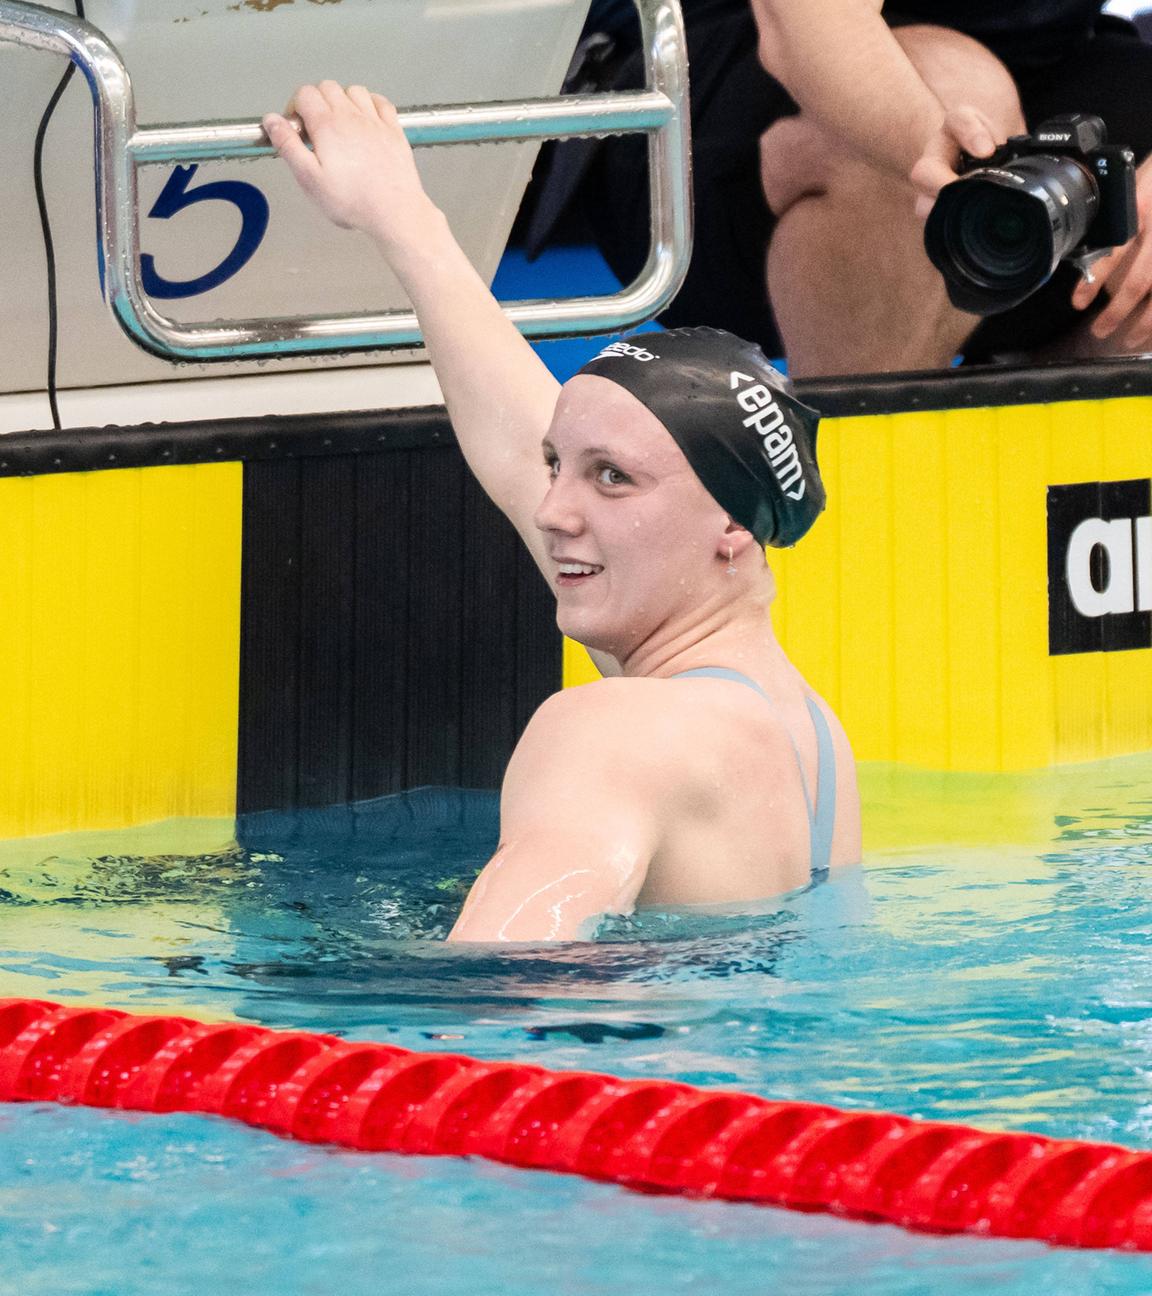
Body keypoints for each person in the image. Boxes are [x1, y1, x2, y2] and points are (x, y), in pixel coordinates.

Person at [262, 83, 860, 943]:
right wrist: (402, 217)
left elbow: (498, 984)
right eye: (558, 467)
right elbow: (519, 446)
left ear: (731, 524)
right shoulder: (808, 738)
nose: (551, 511)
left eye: (611, 477)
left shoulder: (609, 730)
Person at [558, 1, 1152, 376]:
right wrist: (943, 155)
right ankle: (863, 517)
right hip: (702, 114)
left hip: (1051, 66)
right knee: (944, 114)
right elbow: (806, 30)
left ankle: (1053, 399)